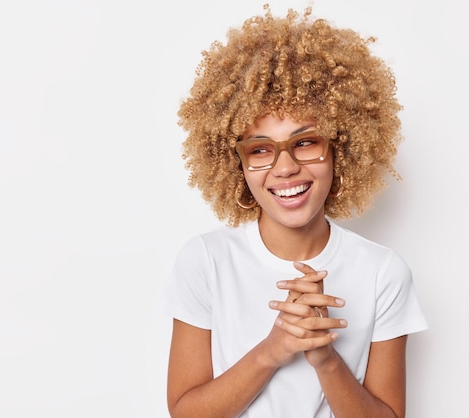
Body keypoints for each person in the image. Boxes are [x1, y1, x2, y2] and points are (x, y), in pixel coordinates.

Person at [159, 5, 428, 418]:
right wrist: (273, 350)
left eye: (305, 142)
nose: (285, 167)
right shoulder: (206, 261)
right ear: (237, 165)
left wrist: (325, 360)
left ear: (340, 148)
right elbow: (185, 411)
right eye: (260, 149)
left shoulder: (383, 272)